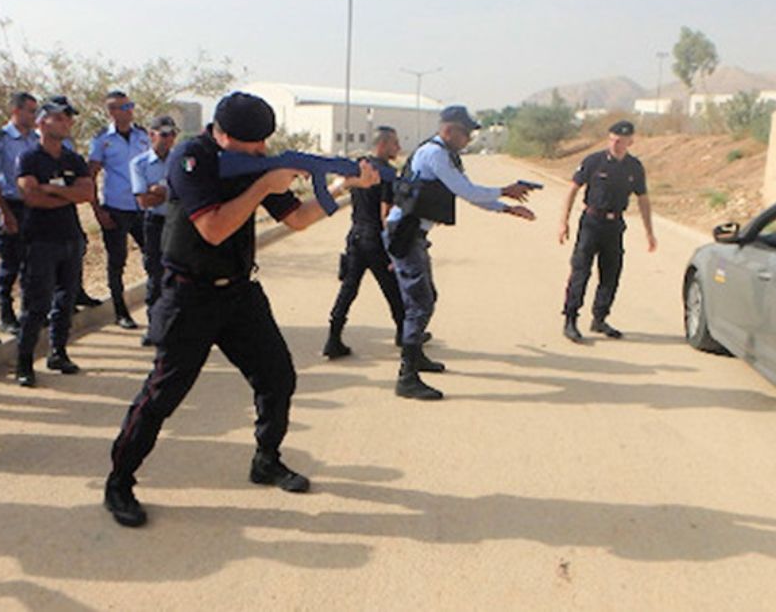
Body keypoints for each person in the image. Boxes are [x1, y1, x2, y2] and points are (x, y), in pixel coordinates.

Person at [103, 92, 380, 528]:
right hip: (188, 296)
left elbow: (297, 219)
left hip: (238, 293)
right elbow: (212, 229)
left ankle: (266, 460)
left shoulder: (257, 164)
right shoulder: (190, 159)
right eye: (254, 145)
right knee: (162, 395)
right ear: (224, 135)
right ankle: (119, 482)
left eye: (266, 144)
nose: (262, 152)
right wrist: (262, 187)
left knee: (278, 377)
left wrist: (345, 187)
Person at [383, 106, 535, 401]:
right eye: (465, 133)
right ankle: (406, 377)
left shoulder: (447, 154)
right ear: (449, 130)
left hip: (414, 233)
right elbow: (465, 190)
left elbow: (467, 192)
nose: (468, 139)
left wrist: (506, 207)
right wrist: (505, 191)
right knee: (420, 302)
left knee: (427, 298)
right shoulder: (435, 154)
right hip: (405, 233)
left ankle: (417, 359)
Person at [13, 96, 95, 387]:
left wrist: (51, 189)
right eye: (59, 117)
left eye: (69, 118)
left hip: (70, 236)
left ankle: (58, 351)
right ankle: (24, 362)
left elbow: (87, 194)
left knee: (66, 298)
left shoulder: (73, 158)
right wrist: (65, 192)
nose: (66, 122)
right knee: (36, 304)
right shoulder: (29, 157)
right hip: (40, 240)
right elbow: (31, 197)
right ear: (41, 121)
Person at [559, 120, 657, 343]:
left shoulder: (634, 167)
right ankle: (571, 319)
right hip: (592, 222)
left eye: (621, 141)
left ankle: (600, 318)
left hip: (615, 226)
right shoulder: (594, 161)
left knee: (611, 273)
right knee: (581, 271)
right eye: (613, 139)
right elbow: (573, 189)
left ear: (630, 141)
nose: (616, 144)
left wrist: (649, 232)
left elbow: (643, 200)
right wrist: (563, 222)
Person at [323, 125, 407, 358]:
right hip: (375, 238)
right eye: (394, 143)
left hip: (356, 235)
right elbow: (386, 214)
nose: (398, 148)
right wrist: (393, 246)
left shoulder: (358, 166)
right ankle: (404, 334)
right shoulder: (385, 174)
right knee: (393, 288)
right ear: (382, 145)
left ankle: (333, 338)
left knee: (348, 289)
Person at [88, 91, 150, 330]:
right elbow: (90, 176)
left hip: (143, 208)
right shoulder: (102, 139)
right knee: (117, 262)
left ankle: (158, 309)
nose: (128, 110)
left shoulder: (143, 135)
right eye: (122, 107)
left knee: (154, 257)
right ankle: (121, 312)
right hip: (116, 209)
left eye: (130, 106)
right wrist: (97, 211)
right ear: (111, 112)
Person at [0, 92, 40, 335]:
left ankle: (29, 313)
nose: (34, 116)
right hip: (12, 205)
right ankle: (5, 315)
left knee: (34, 263)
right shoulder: (0, 140)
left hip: (35, 207)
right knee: (10, 263)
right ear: (16, 111)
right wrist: (5, 213)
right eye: (30, 110)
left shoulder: (36, 139)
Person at [128, 114, 178, 346]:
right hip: (155, 224)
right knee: (156, 275)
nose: (169, 139)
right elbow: (144, 201)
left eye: (172, 134)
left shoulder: (181, 161)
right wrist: (168, 193)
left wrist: (160, 190)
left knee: (179, 274)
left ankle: (177, 327)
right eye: (164, 134)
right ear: (151, 135)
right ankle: (154, 327)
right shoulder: (139, 164)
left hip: (178, 223)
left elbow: (187, 194)